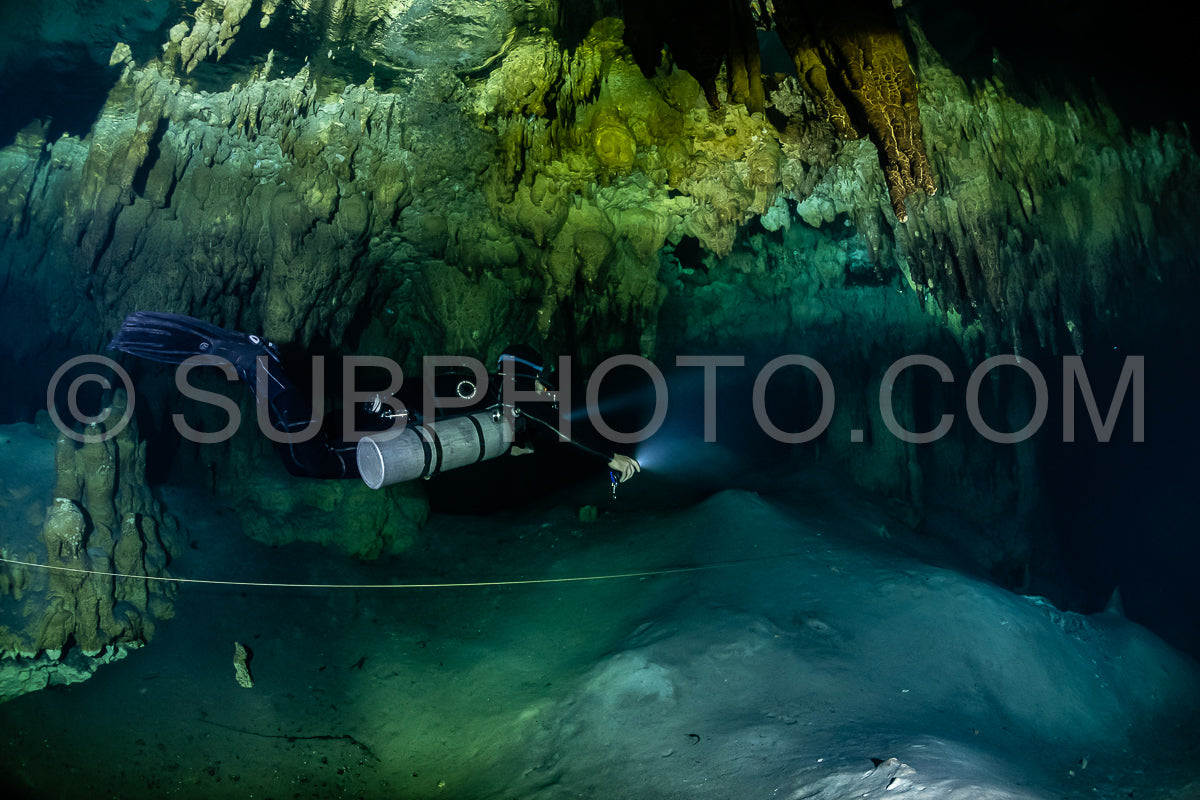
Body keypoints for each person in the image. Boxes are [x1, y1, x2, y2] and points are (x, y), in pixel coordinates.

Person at [108, 311, 640, 485]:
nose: (548, 390)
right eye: (542, 380)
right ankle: (258, 363)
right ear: (522, 374)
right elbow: (550, 426)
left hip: (379, 415)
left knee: (306, 445)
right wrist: (606, 457)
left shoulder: (475, 382)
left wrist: (513, 444)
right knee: (305, 458)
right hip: (382, 427)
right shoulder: (498, 393)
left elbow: (517, 428)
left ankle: (260, 367)